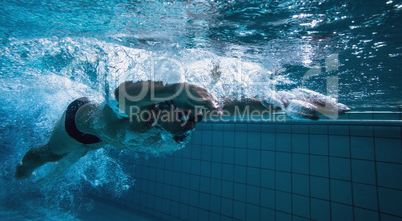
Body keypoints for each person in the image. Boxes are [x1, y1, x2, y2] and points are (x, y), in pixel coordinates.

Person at [15, 80, 349, 180]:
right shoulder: (131, 113)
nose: (193, 123)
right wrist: (176, 87)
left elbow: (245, 105)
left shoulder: (192, 114)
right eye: (186, 114)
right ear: (162, 107)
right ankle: (21, 170)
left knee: (84, 154)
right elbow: (119, 95)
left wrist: (287, 103)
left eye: (197, 115)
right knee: (50, 154)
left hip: (105, 139)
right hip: (80, 126)